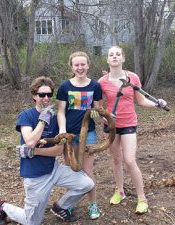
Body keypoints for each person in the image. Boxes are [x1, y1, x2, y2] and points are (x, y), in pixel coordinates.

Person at [0, 76, 94, 225]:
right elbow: (30, 141)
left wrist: (35, 152)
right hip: (35, 177)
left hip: (54, 169)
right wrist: (43, 120)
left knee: (87, 183)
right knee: (32, 222)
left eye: (49, 94)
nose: (46, 98)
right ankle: (4, 207)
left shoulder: (56, 118)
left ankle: (61, 206)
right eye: (42, 94)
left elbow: (58, 150)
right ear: (34, 96)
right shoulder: (26, 116)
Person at [98, 46, 167, 214]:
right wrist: (105, 117)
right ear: (107, 60)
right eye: (111, 55)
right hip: (111, 126)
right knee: (116, 160)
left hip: (129, 123)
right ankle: (119, 191)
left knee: (129, 160)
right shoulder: (102, 82)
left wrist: (158, 104)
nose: (114, 57)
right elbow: (98, 108)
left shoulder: (132, 78)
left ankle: (142, 198)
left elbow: (142, 101)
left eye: (118, 54)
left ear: (123, 59)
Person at [56, 51, 103, 219]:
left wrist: (100, 116)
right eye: (76, 65)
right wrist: (62, 130)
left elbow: (98, 109)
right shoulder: (64, 87)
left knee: (87, 171)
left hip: (88, 134)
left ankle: (93, 205)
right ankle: (67, 205)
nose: (80, 67)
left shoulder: (95, 86)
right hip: (69, 136)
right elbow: (61, 112)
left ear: (88, 65)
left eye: (83, 64)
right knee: (73, 172)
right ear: (71, 66)